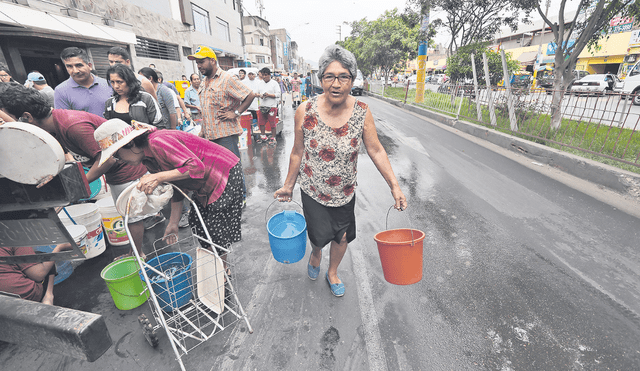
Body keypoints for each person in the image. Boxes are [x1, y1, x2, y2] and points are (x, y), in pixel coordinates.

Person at [274, 45, 407, 297]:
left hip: (344, 193)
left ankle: (332, 271)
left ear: (352, 80)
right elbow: (297, 151)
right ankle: (315, 254)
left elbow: (377, 150)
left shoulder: (362, 112)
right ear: (321, 79)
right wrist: (289, 185)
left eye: (343, 77)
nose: (336, 84)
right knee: (317, 236)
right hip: (313, 191)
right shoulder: (305, 110)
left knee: (342, 237)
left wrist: (395, 186)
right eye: (329, 77)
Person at [0, 84, 156, 260]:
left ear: (27, 116)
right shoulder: (56, 122)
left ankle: (137, 254)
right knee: (128, 214)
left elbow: (108, 159)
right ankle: (135, 252)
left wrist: (77, 186)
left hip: (126, 168)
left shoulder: (72, 126)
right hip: (117, 170)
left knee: (131, 216)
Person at [95, 119, 243, 270]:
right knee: (198, 222)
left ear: (130, 144)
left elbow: (196, 168)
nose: (121, 161)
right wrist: (173, 223)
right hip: (205, 182)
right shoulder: (147, 159)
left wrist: (159, 177)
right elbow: (178, 186)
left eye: (118, 155)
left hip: (225, 172)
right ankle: (215, 266)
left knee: (215, 229)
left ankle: (222, 271)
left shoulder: (157, 142)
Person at [187, 45, 256, 204]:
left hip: (226, 135)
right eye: (197, 63)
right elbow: (206, 109)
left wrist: (236, 113)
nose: (199, 66)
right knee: (217, 170)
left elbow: (249, 95)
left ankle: (240, 198)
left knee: (232, 169)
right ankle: (226, 196)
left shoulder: (227, 78)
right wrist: (203, 132)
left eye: (201, 62)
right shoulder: (204, 82)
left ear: (212, 60)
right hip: (210, 135)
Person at [0, 243, 70, 305]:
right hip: (20, 295)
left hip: (2, 296)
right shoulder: (15, 238)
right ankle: (48, 298)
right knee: (46, 257)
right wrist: (59, 248)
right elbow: (39, 274)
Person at [54, 47, 113, 116]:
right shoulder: (61, 91)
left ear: (90, 66)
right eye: (69, 66)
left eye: (79, 65)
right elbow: (64, 120)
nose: (75, 71)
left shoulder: (108, 84)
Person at [256, 67, 280, 144]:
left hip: (272, 107)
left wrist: (269, 95)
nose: (264, 77)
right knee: (261, 122)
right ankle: (263, 136)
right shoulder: (260, 84)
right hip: (262, 106)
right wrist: (260, 95)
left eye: (266, 75)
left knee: (272, 122)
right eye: (263, 75)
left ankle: (273, 137)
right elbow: (256, 93)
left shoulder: (274, 83)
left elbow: (278, 94)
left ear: (269, 75)